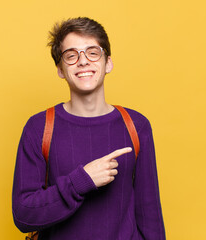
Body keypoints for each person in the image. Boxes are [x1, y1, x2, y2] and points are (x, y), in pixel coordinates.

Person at [12, 17, 166, 240]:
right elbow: (24, 216)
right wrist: (81, 181)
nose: (83, 61)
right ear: (61, 70)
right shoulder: (39, 128)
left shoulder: (136, 126)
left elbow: (150, 218)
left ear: (108, 63)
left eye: (93, 52)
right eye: (71, 56)